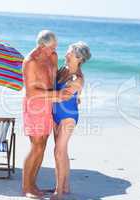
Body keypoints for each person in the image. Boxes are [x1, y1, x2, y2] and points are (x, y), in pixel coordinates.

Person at [22, 30, 74, 198]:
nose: (54, 51)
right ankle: (26, 187)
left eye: (55, 48)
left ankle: (33, 184)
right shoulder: (30, 62)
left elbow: (53, 78)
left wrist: (68, 87)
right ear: (41, 46)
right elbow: (31, 92)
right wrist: (56, 95)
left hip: (49, 105)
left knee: (43, 145)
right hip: (35, 106)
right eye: (51, 48)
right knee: (36, 145)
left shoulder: (52, 56)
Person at [51, 41, 91, 200]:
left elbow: (60, 95)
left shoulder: (77, 79)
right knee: (61, 152)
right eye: (67, 52)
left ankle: (58, 192)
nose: (66, 55)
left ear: (79, 58)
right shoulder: (63, 69)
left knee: (58, 152)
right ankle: (65, 186)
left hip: (68, 116)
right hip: (55, 113)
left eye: (70, 53)